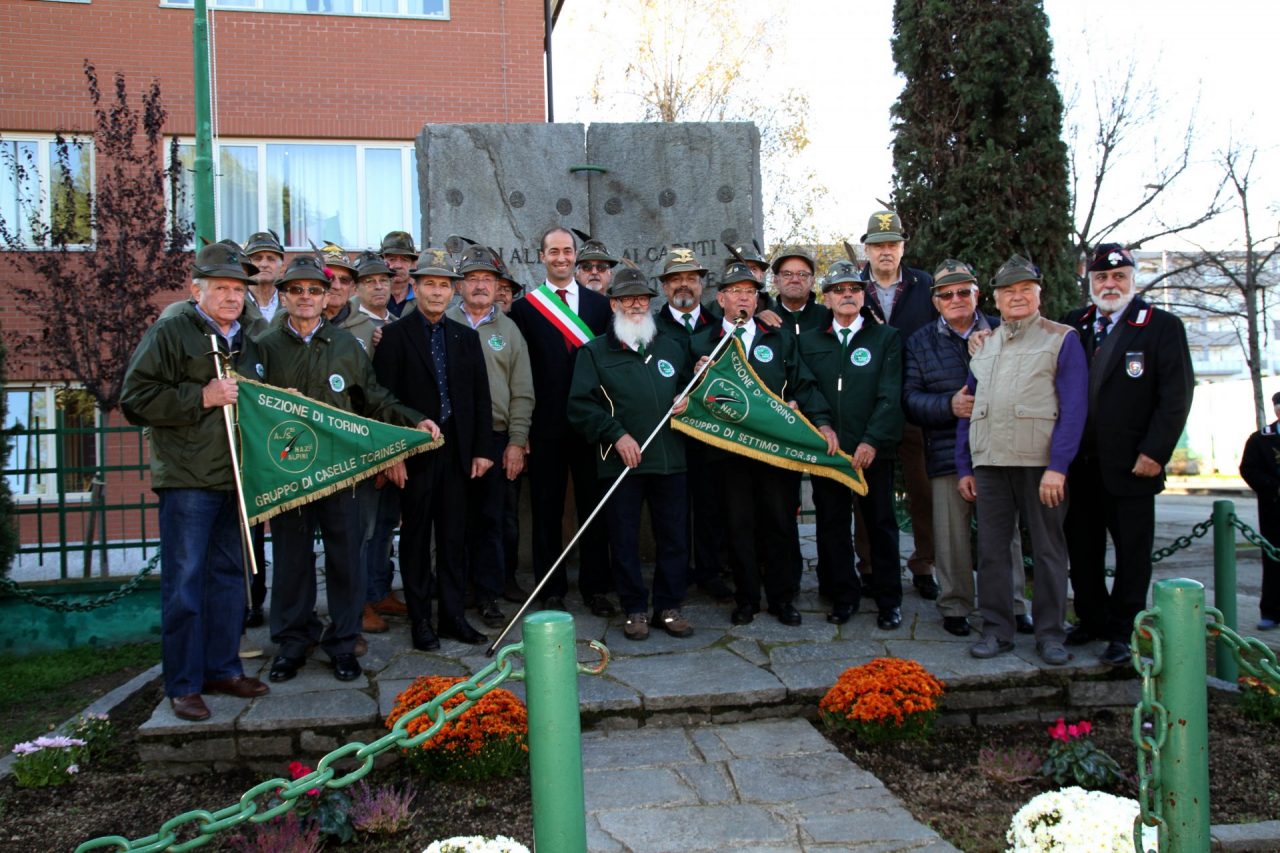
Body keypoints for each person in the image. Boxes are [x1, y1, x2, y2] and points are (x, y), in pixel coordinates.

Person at [256, 255, 429, 682]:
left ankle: (343, 641)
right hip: (289, 470)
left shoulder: (345, 345)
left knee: (345, 558)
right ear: (284, 296)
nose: (306, 298)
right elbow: (248, 400)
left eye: (314, 290)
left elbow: (372, 397)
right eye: (296, 290)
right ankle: (293, 642)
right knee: (293, 561)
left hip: (341, 468)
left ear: (327, 295)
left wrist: (411, 419)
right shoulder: (264, 345)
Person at [120, 241, 270, 721]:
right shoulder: (172, 330)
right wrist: (201, 396)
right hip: (187, 478)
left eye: (238, 289)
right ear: (197, 289)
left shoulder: (247, 337)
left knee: (230, 579)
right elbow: (136, 398)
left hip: (235, 478)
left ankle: (222, 668)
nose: (231, 297)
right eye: (221, 287)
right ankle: (183, 683)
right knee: (184, 583)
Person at [1062, 243, 1194, 666]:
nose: (1110, 284)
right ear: (1091, 283)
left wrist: (1156, 451)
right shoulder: (1074, 325)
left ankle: (1124, 631)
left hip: (1133, 464)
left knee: (1132, 555)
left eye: (1119, 277)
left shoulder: (1160, 326)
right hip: (1080, 465)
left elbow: (1176, 395)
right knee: (1082, 550)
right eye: (1101, 278)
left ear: (1133, 280)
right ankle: (1092, 619)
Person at [956, 255, 1087, 665]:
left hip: (1039, 464)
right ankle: (997, 630)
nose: (1017, 297)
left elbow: (1074, 407)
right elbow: (969, 406)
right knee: (992, 550)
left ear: (1038, 294)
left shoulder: (1061, 338)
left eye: (1025, 290)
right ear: (994, 299)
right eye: (1008, 291)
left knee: (1048, 550)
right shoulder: (985, 343)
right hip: (990, 463)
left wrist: (1059, 466)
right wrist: (965, 465)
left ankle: (1051, 634)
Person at [689, 261, 835, 626]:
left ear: (758, 300)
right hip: (730, 452)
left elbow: (803, 383)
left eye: (750, 292)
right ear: (720, 298)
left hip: (775, 451)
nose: (743, 298)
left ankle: (783, 598)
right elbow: (681, 397)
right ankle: (747, 598)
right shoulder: (700, 343)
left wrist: (821, 422)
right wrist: (695, 379)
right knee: (739, 527)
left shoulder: (779, 337)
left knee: (780, 523)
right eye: (736, 291)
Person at [902, 260, 1033, 637]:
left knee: (1003, 532)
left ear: (977, 294)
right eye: (947, 294)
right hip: (946, 449)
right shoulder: (920, 341)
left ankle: (1013, 604)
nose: (956, 299)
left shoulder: (1004, 329)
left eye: (964, 291)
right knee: (950, 535)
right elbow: (909, 399)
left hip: (1000, 447)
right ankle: (956, 604)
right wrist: (948, 405)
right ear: (936, 301)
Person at [373, 249, 495, 651]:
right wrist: (393, 455)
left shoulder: (465, 337)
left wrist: (482, 450)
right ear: (415, 287)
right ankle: (420, 620)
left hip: (459, 453)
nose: (437, 292)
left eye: (444, 285)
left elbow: (480, 397)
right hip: (416, 455)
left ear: (453, 290)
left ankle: (453, 617)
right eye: (430, 284)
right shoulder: (393, 337)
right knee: (415, 538)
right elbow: (383, 398)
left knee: (453, 539)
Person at [568, 264, 695, 640]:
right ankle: (635, 609)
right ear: (613, 305)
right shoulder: (593, 352)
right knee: (623, 539)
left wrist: (690, 398)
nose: (635, 304)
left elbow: (690, 385)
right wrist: (616, 435)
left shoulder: (671, 345)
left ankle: (668, 607)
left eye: (641, 298)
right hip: (620, 461)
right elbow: (580, 406)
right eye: (627, 299)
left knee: (673, 537)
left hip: (670, 459)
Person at [508, 226, 615, 615]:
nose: (561, 257)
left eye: (567, 251)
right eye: (553, 251)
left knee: (594, 506)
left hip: (591, 424)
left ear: (576, 257)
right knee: (546, 509)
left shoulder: (600, 307)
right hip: (546, 426)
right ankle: (550, 588)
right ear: (542, 257)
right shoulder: (523, 309)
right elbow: (519, 372)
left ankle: (596, 587)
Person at [797, 260, 904, 629]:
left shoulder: (885, 337)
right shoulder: (809, 340)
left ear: (863, 296)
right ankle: (844, 596)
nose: (847, 295)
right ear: (826, 298)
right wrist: (823, 425)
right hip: (829, 452)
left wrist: (872, 440)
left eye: (854, 290)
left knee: (881, 525)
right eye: (839, 290)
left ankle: (890, 600)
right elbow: (806, 387)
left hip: (873, 451)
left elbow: (891, 394)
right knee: (832, 526)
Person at [445, 244, 534, 629]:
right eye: (472, 279)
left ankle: (488, 595)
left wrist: (517, 441)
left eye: (487, 279)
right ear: (458, 286)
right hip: (450, 438)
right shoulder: (442, 322)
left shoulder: (509, 330)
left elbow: (523, 390)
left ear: (499, 287)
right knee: (452, 521)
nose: (480, 286)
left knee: (491, 521)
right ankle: (455, 591)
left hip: (496, 437)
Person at [858, 209, 940, 601]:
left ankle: (924, 563)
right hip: (869, 405)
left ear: (903, 247)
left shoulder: (925, 285)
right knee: (865, 489)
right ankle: (870, 565)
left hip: (915, 400)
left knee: (922, 488)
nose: (885, 251)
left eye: (892, 244)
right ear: (867, 250)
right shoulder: (852, 287)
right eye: (878, 245)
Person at [652, 249, 731, 602]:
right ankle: (677, 573)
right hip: (669, 434)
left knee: (711, 505)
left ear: (702, 285)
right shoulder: (650, 326)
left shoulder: (720, 324)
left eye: (691, 278)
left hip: (711, 432)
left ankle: (711, 572)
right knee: (672, 511)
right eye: (675, 279)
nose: (684, 284)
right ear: (665, 287)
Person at [1240, 391, 1280, 631]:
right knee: (1274, 559)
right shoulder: (1261, 440)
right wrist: (1275, 488)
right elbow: (1249, 469)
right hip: (1275, 511)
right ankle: (1272, 612)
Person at [320, 243, 376, 354]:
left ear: (352, 286)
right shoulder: (290, 320)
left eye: (344, 280)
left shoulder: (368, 328)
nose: (336, 286)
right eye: (329, 278)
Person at [770, 246, 831, 334]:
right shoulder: (765, 322)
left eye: (802, 274)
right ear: (775, 280)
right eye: (787, 274)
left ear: (812, 281)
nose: (795, 280)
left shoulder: (829, 318)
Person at [244, 230, 286, 324]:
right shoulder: (236, 302)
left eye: (271, 259)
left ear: (282, 266)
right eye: (257, 259)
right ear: (246, 266)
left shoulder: (292, 302)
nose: (264, 264)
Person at [380, 230, 419, 318]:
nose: (398, 266)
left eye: (404, 260)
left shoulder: (423, 301)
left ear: (413, 264)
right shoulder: (371, 298)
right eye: (392, 259)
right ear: (382, 262)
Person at [573, 230, 617, 294]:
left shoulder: (620, 303)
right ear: (576, 275)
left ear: (610, 275)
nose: (594, 272)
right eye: (586, 267)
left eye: (602, 267)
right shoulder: (562, 303)